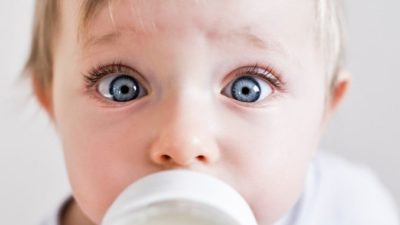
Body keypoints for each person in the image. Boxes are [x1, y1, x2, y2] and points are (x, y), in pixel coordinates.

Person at [25, 0, 399, 224]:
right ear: (50, 102)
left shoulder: (352, 209)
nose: (184, 143)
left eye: (247, 89)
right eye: (122, 87)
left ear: (323, 112)